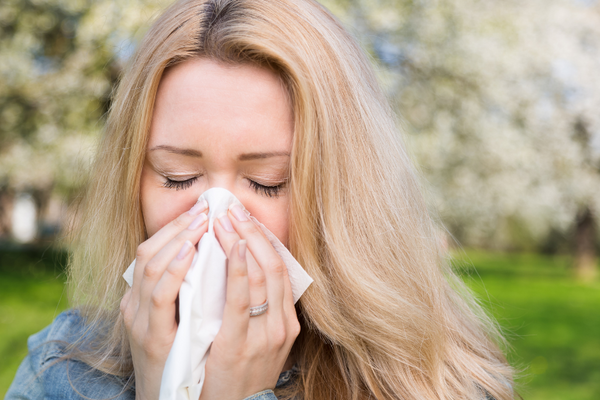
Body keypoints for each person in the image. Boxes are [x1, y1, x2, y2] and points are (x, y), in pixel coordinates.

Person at [6, 0, 515, 399]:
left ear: (341, 197)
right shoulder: (65, 369)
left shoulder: (430, 383)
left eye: (268, 182)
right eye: (178, 176)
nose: (215, 219)